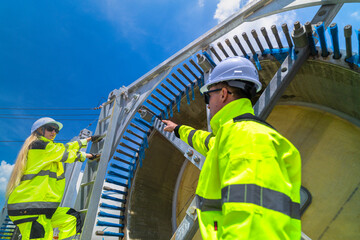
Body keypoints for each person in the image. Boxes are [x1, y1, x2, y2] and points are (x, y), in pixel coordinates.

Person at [163, 56, 301, 239]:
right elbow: (202, 140)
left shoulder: (246, 137)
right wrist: (178, 129)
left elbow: (253, 220)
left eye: (208, 96)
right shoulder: (229, 136)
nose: (208, 104)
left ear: (223, 94)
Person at [6, 117, 99, 240]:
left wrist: (85, 141)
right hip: (30, 207)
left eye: (56, 130)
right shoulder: (39, 145)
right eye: (50, 129)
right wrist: (90, 155)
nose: (54, 132)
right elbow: (65, 153)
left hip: (42, 208)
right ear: (39, 130)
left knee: (73, 218)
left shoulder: (49, 149)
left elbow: (63, 149)